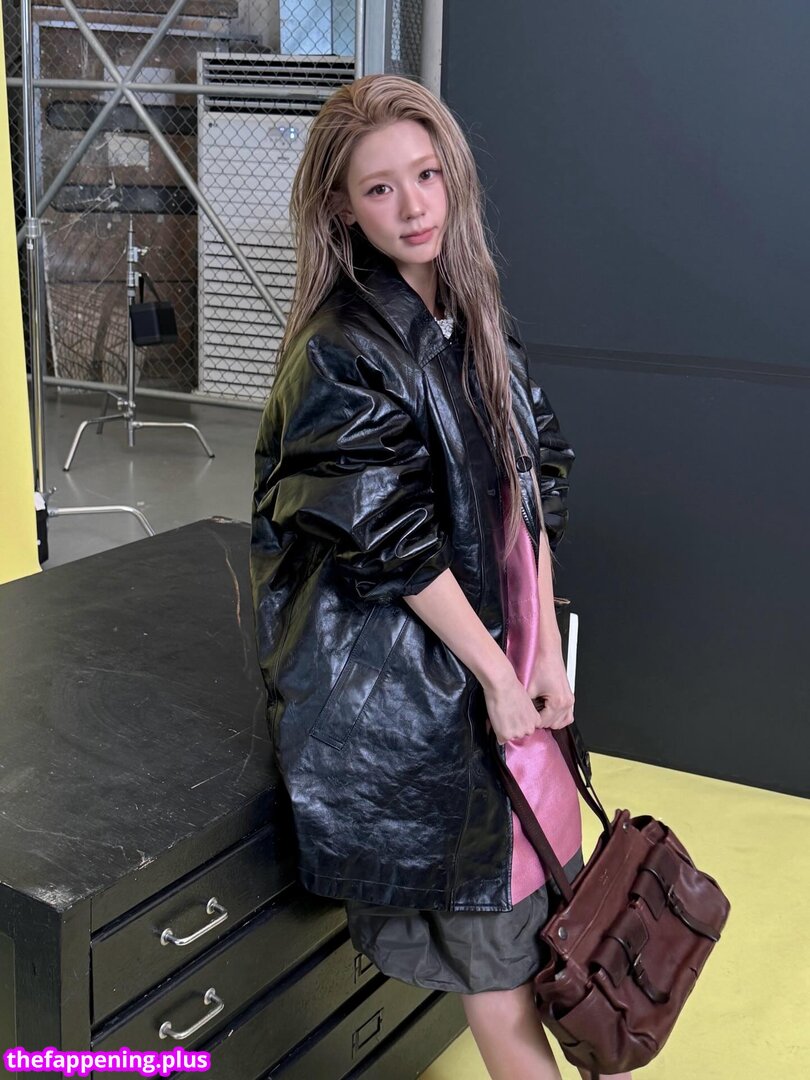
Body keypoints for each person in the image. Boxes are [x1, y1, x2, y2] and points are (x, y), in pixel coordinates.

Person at [250, 73, 631, 1080]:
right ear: (341, 207)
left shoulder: (473, 315)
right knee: (503, 991)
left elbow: (533, 487)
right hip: (435, 701)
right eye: (380, 188)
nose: (414, 207)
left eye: (426, 175)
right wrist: (500, 677)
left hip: (506, 686)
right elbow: (394, 543)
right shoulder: (339, 350)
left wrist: (543, 654)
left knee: (561, 949)